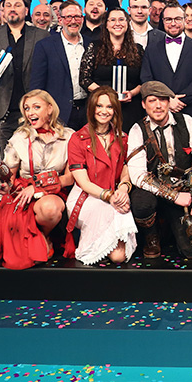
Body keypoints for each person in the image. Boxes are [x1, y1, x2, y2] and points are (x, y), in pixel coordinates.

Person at [126, 81, 192, 260]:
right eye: (152, 100)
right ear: (143, 104)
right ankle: (152, 235)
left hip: (184, 189)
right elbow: (137, 176)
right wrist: (173, 196)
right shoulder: (137, 130)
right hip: (155, 191)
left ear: (169, 102)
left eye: (162, 100)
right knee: (141, 202)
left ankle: (171, 229)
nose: (158, 105)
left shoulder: (187, 122)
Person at [0, 90, 73, 270]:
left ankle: (43, 236)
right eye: (27, 108)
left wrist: (39, 187)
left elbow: (68, 178)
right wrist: (4, 186)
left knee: (50, 209)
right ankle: (40, 242)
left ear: (50, 109)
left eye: (37, 107)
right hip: (23, 192)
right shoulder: (19, 138)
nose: (30, 112)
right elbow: (10, 178)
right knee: (18, 256)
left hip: (55, 190)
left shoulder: (68, 137)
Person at [65, 87, 136, 265]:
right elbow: (83, 182)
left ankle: (103, 242)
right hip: (86, 197)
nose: (104, 111)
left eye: (109, 107)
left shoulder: (123, 137)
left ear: (115, 110)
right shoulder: (77, 139)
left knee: (119, 257)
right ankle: (93, 243)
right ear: (91, 108)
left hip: (114, 195)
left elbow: (126, 171)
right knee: (107, 252)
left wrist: (123, 189)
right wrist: (109, 195)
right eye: (99, 106)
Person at [0, 0, 48, 152]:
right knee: (5, 162)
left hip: (33, 110)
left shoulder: (41, 35)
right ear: (2, 12)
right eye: (8, 5)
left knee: (33, 158)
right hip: (3, 109)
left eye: (17, 5)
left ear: (26, 11)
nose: (12, 8)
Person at [141, 3, 192, 120]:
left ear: (184, 20)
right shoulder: (151, 48)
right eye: (168, 19)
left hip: (191, 112)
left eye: (177, 19)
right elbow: (146, 79)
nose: (173, 23)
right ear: (162, 21)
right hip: (158, 112)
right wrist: (167, 100)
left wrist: (180, 101)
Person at [80, 8, 145, 132]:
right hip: (101, 109)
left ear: (127, 22)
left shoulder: (138, 50)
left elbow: (144, 80)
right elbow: (84, 79)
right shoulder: (94, 47)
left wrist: (132, 93)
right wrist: (107, 95)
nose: (117, 23)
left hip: (131, 109)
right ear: (107, 24)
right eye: (113, 20)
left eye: (121, 19)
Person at [29, 0, 89, 130]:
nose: (73, 21)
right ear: (60, 20)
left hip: (88, 112)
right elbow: (37, 84)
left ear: (82, 19)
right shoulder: (45, 46)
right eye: (68, 17)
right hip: (58, 113)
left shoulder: (92, 44)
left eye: (77, 17)